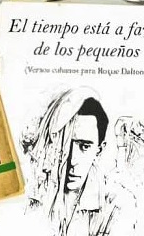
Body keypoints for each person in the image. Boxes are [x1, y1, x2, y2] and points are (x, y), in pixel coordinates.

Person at [22, 88, 137, 236]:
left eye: (84, 147)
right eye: (66, 145)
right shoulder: (34, 196)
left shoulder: (117, 204)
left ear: (99, 150)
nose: (72, 160)